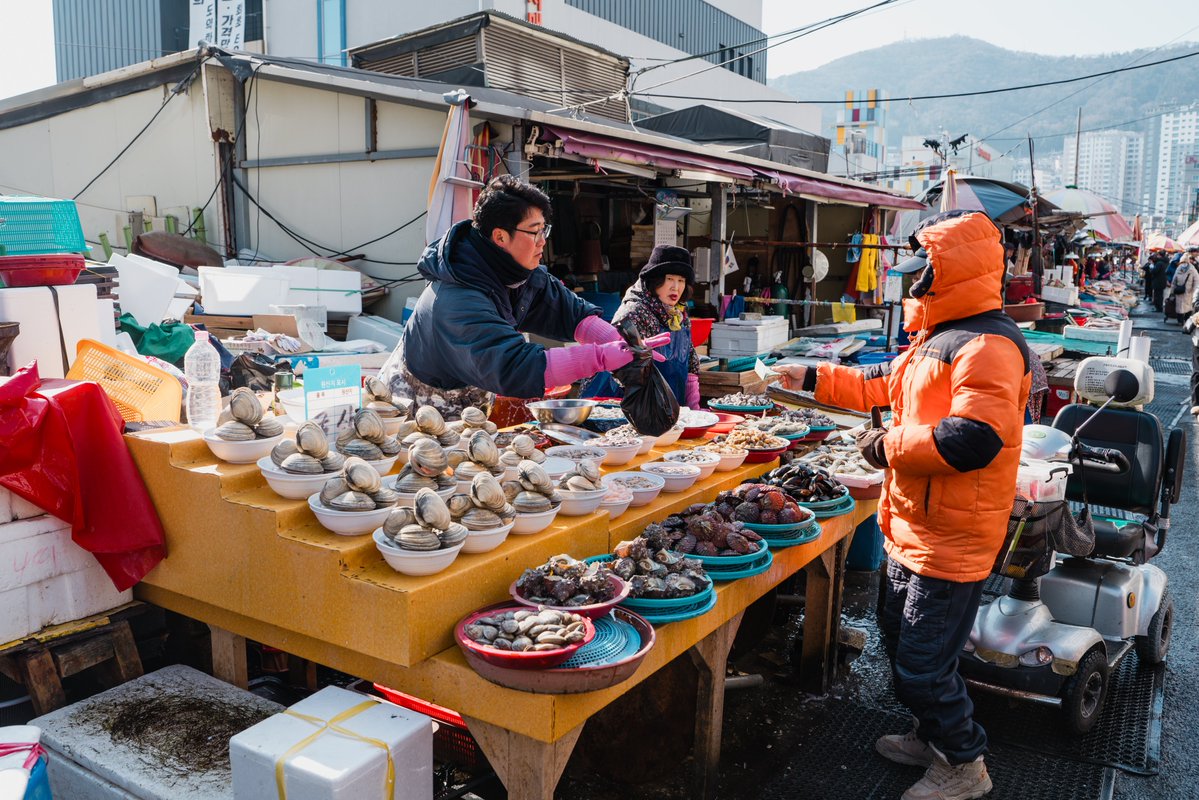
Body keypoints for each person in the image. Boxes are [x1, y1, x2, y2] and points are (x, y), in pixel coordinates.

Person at [774, 210, 1031, 800]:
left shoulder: (988, 345)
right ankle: (932, 735)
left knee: (923, 664)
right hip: (914, 525)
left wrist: (886, 446)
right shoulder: (937, 338)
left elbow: (973, 439)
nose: (912, 278)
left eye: (922, 267)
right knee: (900, 639)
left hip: (951, 537)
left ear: (950, 270)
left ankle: (964, 764)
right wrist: (808, 375)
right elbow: (879, 383)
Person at [377, 175, 669, 418]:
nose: (543, 241)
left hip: (468, 406)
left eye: (544, 230)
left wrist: (623, 343)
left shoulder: (516, 272)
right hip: (413, 410)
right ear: (500, 237)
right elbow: (514, 366)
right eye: (534, 232)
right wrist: (601, 358)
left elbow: (568, 311)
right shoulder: (457, 299)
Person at [581, 245, 701, 409]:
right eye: (669, 279)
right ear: (655, 280)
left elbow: (690, 363)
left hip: (666, 408)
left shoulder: (679, 315)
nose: (676, 287)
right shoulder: (634, 312)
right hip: (623, 406)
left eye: (681, 280)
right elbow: (626, 369)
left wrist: (693, 406)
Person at [1174, 250, 1199, 325]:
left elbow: (1196, 281)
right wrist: (1172, 291)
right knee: (1180, 307)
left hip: (1187, 292)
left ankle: (1185, 320)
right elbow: (1174, 281)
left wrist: (1194, 291)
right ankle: (1181, 321)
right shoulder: (1179, 268)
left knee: (1187, 307)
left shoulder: (1192, 269)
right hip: (1181, 291)